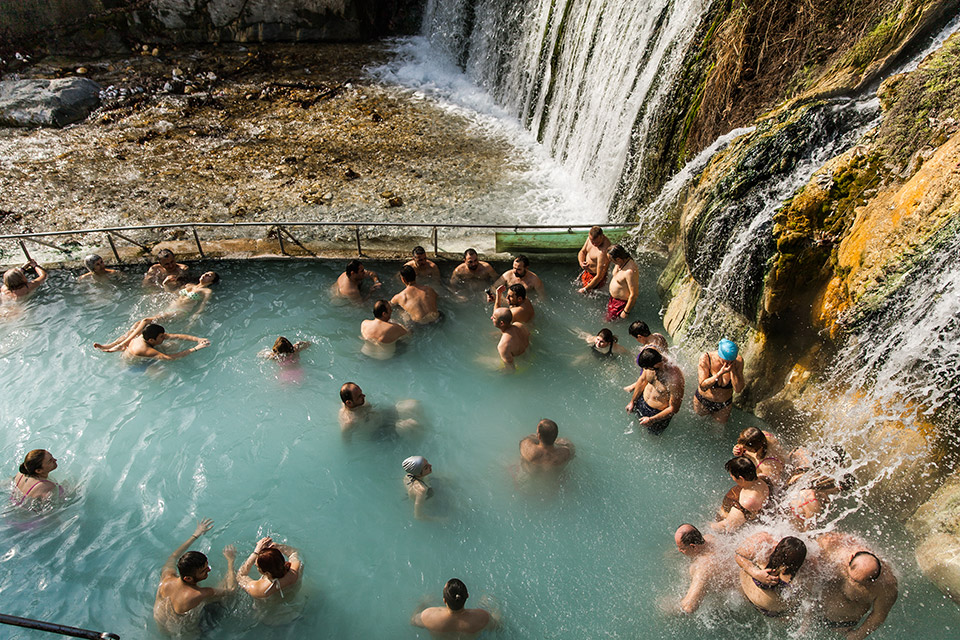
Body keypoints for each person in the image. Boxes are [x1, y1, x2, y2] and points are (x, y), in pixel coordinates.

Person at [154, 518, 237, 635]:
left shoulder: (167, 578)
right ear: (188, 578)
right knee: (227, 592)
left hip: (161, 623)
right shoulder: (200, 593)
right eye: (204, 571)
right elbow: (232, 590)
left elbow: (173, 556)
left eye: (207, 566)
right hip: (185, 633)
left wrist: (196, 534)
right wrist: (230, 561)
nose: (209, 570)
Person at [816, 533, 898, 638]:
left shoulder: (887, 586)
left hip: (840, 625)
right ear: (850, 558)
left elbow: (879, 615)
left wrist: (858, 635)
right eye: (852, 578)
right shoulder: (835, 549)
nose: (852, 582)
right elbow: (815, 544)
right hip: (811, 608)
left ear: (873, 580)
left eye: (858, 583)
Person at [735, 532, 807, 618]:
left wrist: (755, 573)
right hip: (779, 614)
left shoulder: (763, 555)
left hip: (750, 598)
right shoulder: (803, 573)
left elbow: (738, 554)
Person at [625, 348, 684, 434]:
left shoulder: (674, 378)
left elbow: (674, 409)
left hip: (657, 413)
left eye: (648, 368)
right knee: (636, 427)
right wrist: (632, 402)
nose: (647, 370)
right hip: (642, 402)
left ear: (657, 364)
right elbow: (642, 381)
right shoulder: (650, 363)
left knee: (652, 436)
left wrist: (652, 420)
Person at [411, 578, 496, 636]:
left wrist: (422, 603)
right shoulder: (482, 617)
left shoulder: (427, 616)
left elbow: (413, 622)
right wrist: (492, 607)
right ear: (467, 596)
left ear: (444, 600)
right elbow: (497, 626)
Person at [338, 382, 420, 439]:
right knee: (410, 426)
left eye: (361, 393)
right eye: (359, 396)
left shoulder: (358, 402)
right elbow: (345, 438)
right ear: (349, 403)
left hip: (383, 416)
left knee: (412, 404)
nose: (364, 395)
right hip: (379, 433)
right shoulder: (350, 421)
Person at [673, 524, 723, 614]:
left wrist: (667, 609)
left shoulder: (703, 568)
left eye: (681, 548)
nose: (679, 550)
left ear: (693, 547)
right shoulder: (710, 538)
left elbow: (689, 607)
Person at [94, 322, 211, 361]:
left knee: (174, 344)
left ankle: (114, 347)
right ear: (151, 340)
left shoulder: (147, 335)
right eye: (161, 337)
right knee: (160, 374)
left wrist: (198, 339)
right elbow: (170, 358)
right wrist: (196, 348)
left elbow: (176, 336)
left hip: (139, 352)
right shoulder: (144, 349)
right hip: (135, 365)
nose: (164, 337)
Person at [694, 338, 745, 424]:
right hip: (703, 400)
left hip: (724, 404)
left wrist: (733, 371)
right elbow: (703, 386)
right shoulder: (706, 358)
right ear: (719, 355)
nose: (728, 363)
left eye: (731, 361)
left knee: (718, 433)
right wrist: (720, 374)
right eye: (725, 361)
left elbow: (738, 389)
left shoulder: (738, 362)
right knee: (698, 425)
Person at [712, 456, 770, 532]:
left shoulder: (746, 503)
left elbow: (728, 526)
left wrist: (711, 526)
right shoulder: (764, 478)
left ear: (741, 478)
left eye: (731, 475)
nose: (731, 476)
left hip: (728, 519)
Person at [237, 536, 303, 601]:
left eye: (257, 566)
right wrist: (278, 546)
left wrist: (256, 552)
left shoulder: (258, 589)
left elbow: (240, 576)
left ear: (267, 573)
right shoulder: (294, 572)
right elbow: (294, 552)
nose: (254, 564)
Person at [605, 245, 638, 321]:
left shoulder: (630, 271)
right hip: (614, 300)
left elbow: (634, 294)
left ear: (618, 259)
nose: (609, 261)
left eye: (611, 259)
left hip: (620, 304)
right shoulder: (619, 263)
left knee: (609, 323)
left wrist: (626, 311)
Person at [577, 226, 612, 293]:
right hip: (587, 273)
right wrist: (581, 262)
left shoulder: (603, 252)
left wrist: (585, 289)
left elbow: (599, 276)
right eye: (592, 242)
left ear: (602, 236)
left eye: (597, 242)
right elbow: (582, 252)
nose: (594, 244)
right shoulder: (591, 238)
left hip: (596, 279)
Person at [402, 455, 434, 520]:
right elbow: (418, 516)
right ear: (418, 474)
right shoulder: (422, 490)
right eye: (426, 467)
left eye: (427, 462)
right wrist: (441, 520)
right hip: (426, 503)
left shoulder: (407, 476)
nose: (430, 465)